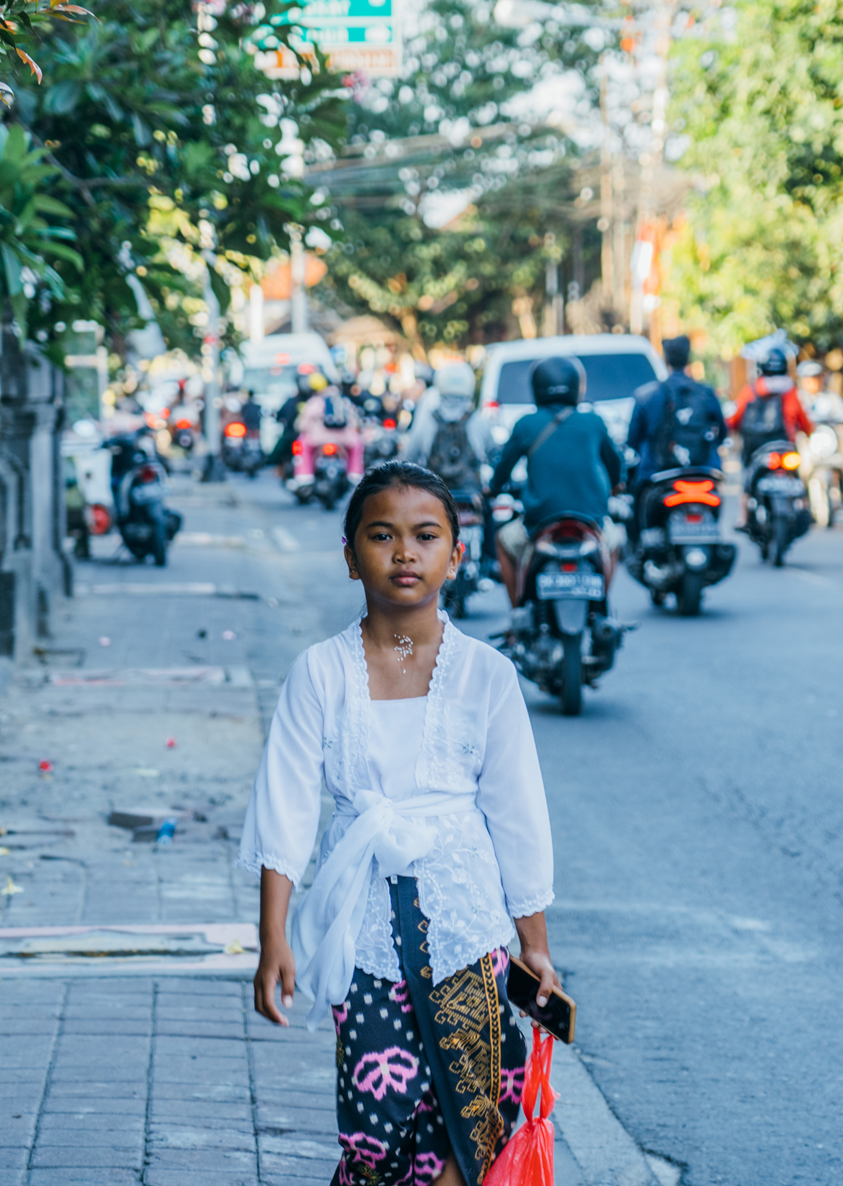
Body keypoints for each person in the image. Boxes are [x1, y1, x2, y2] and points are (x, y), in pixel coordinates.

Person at [242, 461, 557, 1186]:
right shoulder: (318, 673)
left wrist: (534, 945)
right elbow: (284, 808)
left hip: (470, 932)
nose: (405, 553)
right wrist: (273, 940)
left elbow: (518, 813)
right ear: (351, 556)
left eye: (425, 535)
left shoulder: (487, 675)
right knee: (375, 1132)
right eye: (382, 535)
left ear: (457, 553)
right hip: (366, 941)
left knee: (469, 1131)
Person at [485, 357, 624, 603]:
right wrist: (616, 486)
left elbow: (502, 470)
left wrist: (492, 489)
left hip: (539, 521)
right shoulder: (594, 422)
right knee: (615, 541)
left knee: (503, 540)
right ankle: (601, 604)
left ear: (537, 386)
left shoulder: (525, 424)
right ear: (576, 386)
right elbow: (615, 466)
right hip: (591, 520)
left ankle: (518, 611)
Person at [626, 335, 726, 484]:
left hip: (656, 474)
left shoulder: (646, 396)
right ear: (688, 359)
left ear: (665, 359)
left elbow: (633, 440)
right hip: (703, 471)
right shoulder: (707, 393)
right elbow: (722, 433)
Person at [727, 349, 813, 523]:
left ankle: (743, 516)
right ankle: (805, 506)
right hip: (784, 445)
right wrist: (809, 432)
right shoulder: (790, 390)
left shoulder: (751, 389)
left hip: (754, 447)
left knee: (748, 481)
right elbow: (803, 421)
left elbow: (735, 420)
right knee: (798, 474)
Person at [404, 362, 495, 497]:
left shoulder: (427, 421)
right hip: (472, 498)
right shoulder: (479, 421)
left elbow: (409, 458)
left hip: (435, 499)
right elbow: (494, 455)